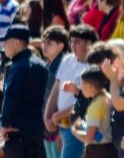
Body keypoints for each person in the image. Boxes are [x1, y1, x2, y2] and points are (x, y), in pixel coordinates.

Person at [47, 25, 98, 158]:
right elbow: (56, 88)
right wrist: (48, 116)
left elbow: (87, 100)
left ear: (89, 43)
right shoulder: (67, 59)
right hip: (62, 125)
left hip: (78, 126)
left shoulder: (93, 68)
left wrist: (58, 115)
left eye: (77, 42)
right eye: (71, 41)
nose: (73, 45)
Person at [0, 24, 49, 158]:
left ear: (16, 43)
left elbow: (11, 97)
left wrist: (4, 124)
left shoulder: (17, 68)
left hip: (18, 132)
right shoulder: (41, 64)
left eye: (6, 42)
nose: (3, 46)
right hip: (39, 130)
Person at [73, 65, 116, 158]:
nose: (80, 87)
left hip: (97, 151)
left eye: (82, 83)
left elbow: (89, 138)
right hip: (110, 149)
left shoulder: (96, 105)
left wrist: (75, 131)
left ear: (89, 86)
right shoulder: (108, 97)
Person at [40, 26, 70, 158]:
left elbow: (66, 100)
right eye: (43, 42)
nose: (44, 46)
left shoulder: (64, 66)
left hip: (59, 127)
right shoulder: (48, 65)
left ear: (60, 46)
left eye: (49, 43)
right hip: (47, 127)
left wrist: (61, 131)